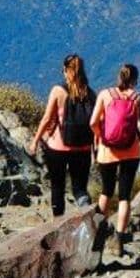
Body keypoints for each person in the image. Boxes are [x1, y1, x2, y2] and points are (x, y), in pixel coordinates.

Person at [90, 63, 140, 256]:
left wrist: (102, 137)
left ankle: (97, 236)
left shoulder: (105, 95)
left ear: (119, 76)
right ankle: (119, 239)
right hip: (131, 151)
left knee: (106, 192)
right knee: (125, 195)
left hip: (107, 150)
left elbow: (93, 122)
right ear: (135, 79)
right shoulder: (139, 99)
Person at [27, 54, 95, 217]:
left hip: (58, 147)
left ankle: (58, 223)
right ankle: (87, 215)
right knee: (80, 189)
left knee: (58, 186)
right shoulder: (91, 93)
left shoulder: (58, 91)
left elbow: (47, 118)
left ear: (65, 70)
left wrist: (35, 141)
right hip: (83, 147)